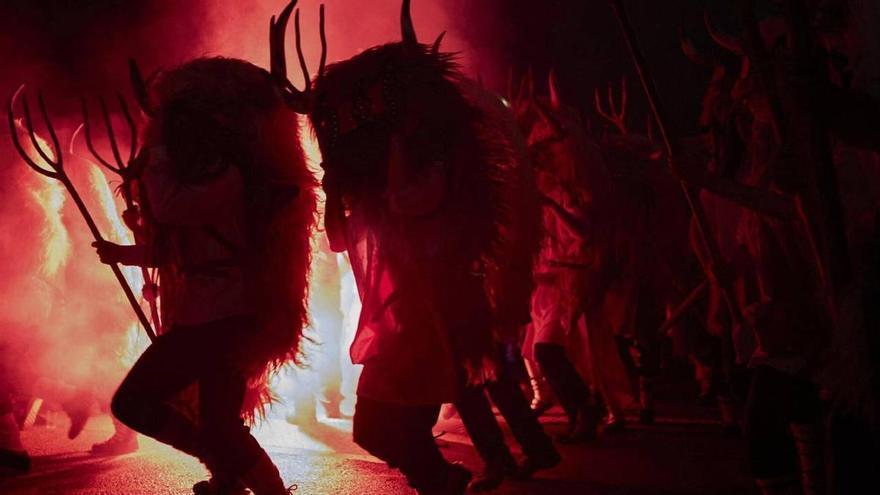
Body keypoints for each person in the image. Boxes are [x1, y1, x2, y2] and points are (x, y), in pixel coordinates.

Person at [94, 57, 316, 495]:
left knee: (139, 403)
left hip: (227, 316)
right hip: (208, 315)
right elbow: (182, 245)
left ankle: (247, 479)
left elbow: (172, 208)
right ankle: (232, 475)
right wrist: (126, 253)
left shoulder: (228, 178)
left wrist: (156, 146)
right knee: (217, 425)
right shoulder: (204, 178)